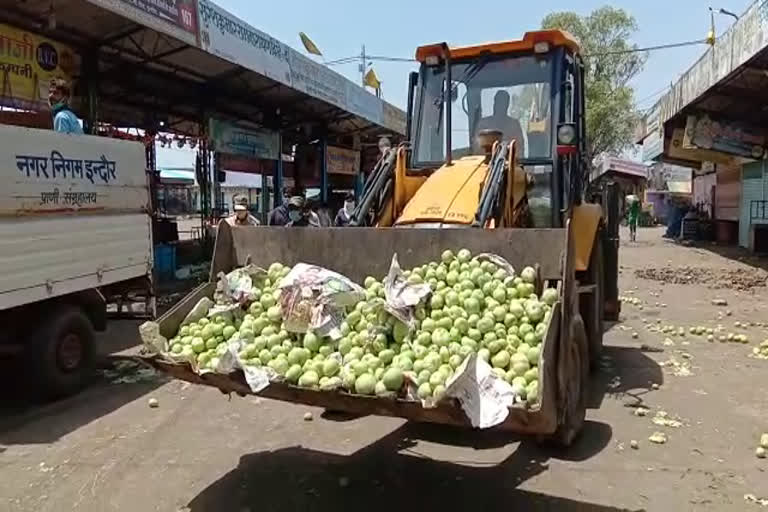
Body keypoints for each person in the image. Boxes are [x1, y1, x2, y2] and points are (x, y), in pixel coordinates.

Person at [475, 90, 525, 156]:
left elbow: (519, 151)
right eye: (498, 102)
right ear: (494, 103)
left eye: (503, 102)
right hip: (484, 165)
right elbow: (476, 150)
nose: (500, 105)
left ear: (507, 105)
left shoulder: (514, 125)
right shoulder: (484, 124)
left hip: (510, 165)